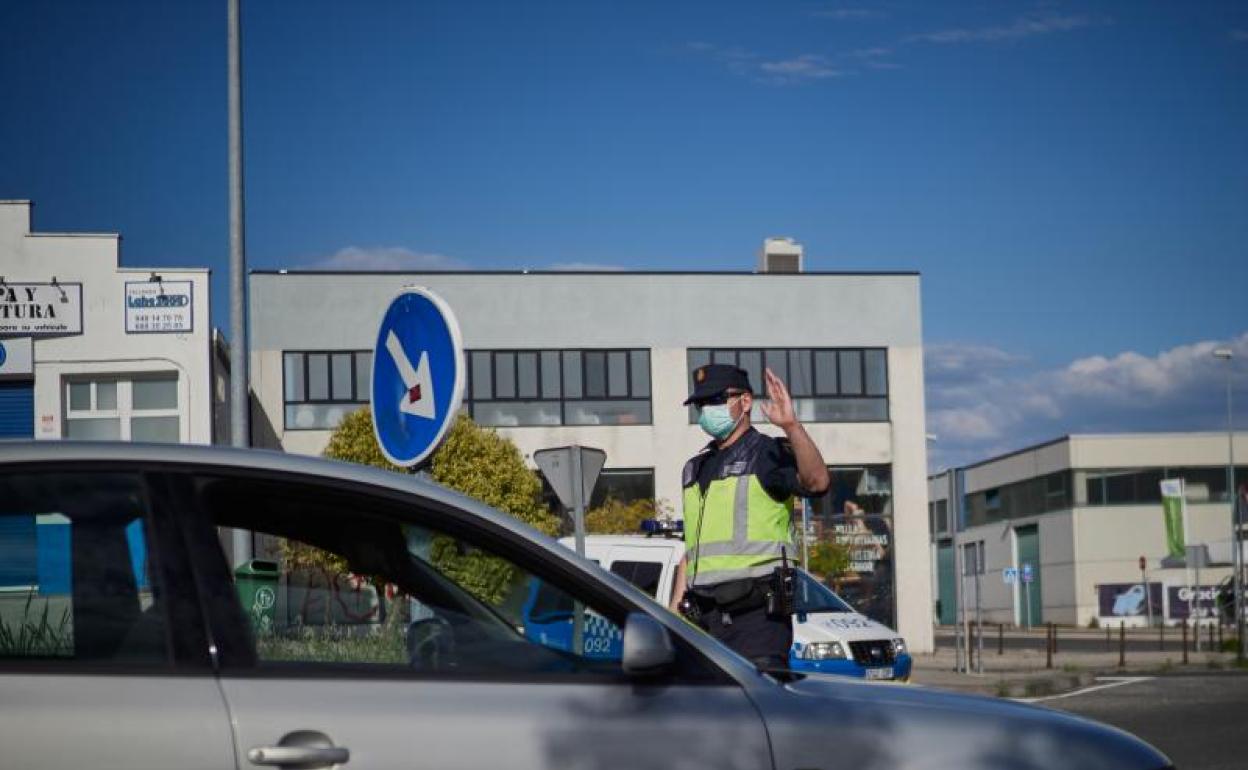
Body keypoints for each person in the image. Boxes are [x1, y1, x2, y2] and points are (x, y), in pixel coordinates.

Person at [670, 363, 830, 667]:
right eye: (701, 405)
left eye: (715, 401)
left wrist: (791, 427)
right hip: (704, 623)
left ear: (745, 402)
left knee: (756, 713)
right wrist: (674, 614)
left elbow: (817, 482)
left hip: (758, 623)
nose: (706, 410)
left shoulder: (768, 454)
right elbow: (690, 552)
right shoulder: (695, 468)